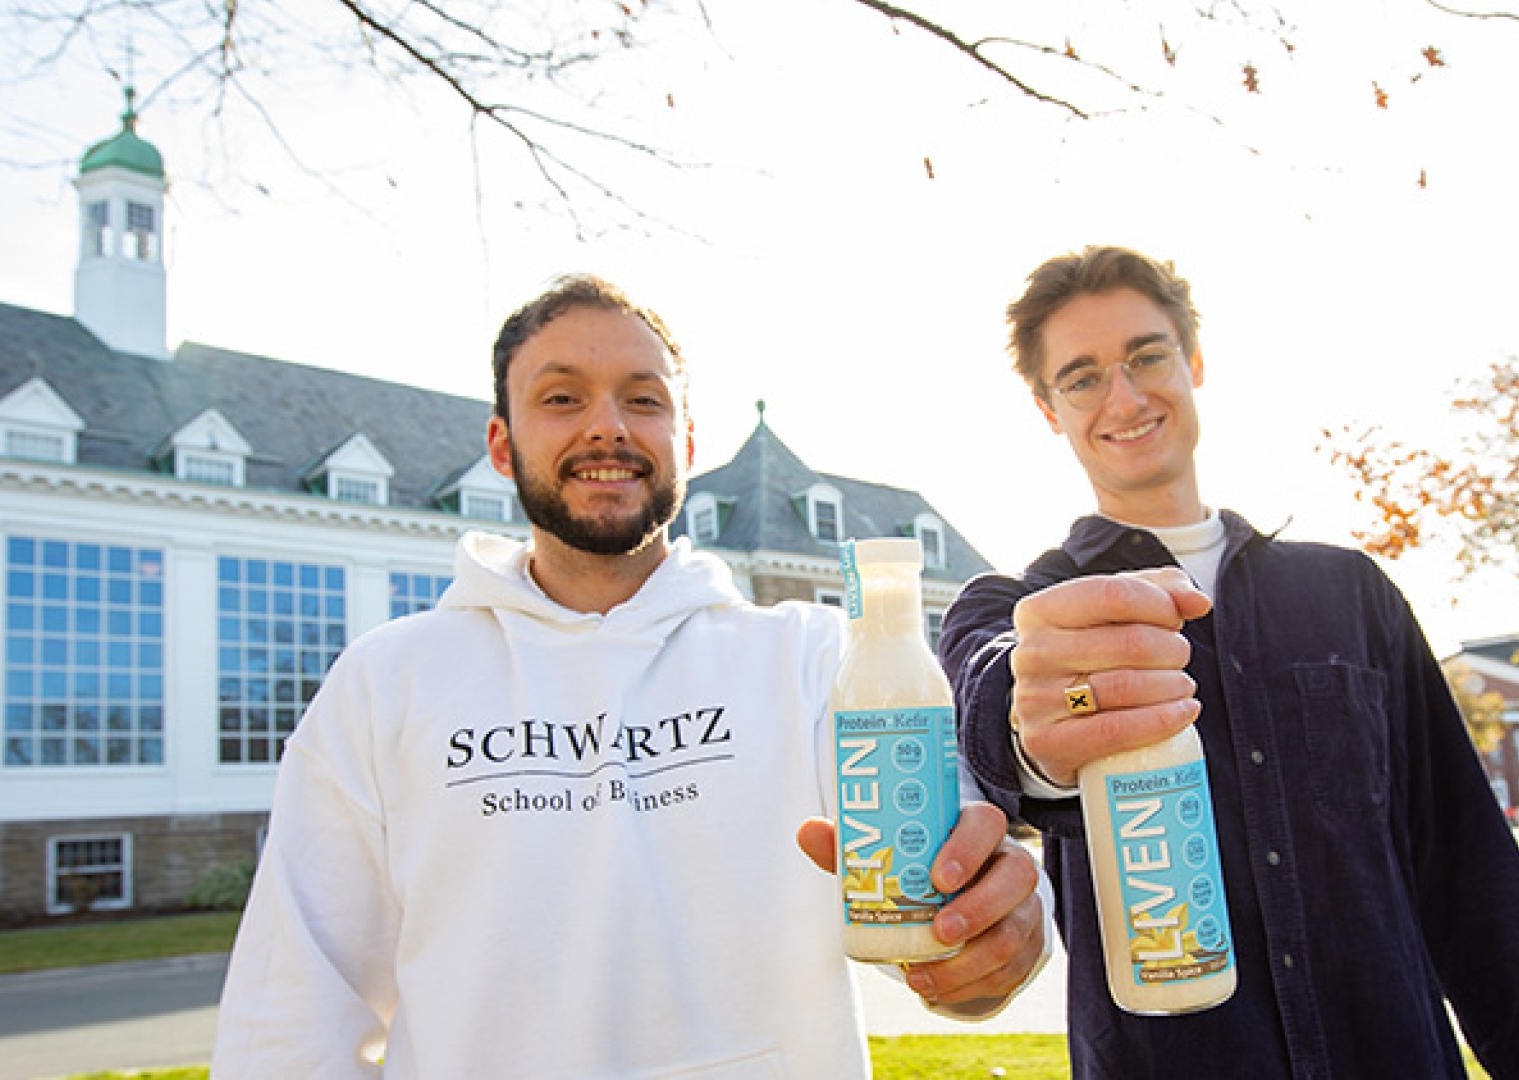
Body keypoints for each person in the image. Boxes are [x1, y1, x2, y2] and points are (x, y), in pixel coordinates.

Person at [213, 273, 1122, 1076]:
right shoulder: (387, 684)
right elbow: (293, 1014)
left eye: (643, 400)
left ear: (685, 437)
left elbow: (958, 891)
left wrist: (987, 942)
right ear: (501, 443)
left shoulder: (816, 661)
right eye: (561, 398)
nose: (608, 425)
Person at [937, 246, 1519, 1079]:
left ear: (1194, 361)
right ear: (1048, 410)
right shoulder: (1019, 610)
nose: (1125, 398)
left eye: (1147, 356)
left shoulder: (1352, 594)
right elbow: (995, 707)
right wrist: (1039, 725)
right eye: (1083, 378)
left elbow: (1468, 866)